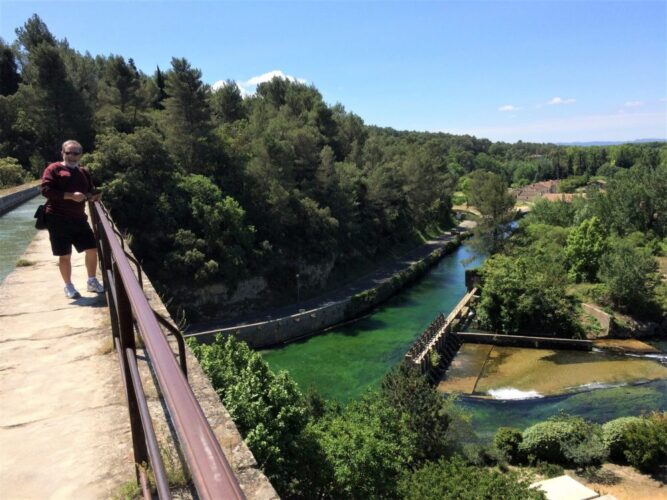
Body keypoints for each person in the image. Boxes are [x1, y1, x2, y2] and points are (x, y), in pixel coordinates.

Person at [41, 140, 104, 299]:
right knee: (65, 254)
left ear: (80, 155)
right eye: (69, 152)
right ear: (62, 153)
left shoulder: (83, 172)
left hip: (79, 219)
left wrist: (93, 196)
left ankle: (91, 281)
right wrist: (70, 196)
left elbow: (89, 191)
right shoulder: (54, 169)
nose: (72, 156)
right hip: (57, 219)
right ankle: (68, 286)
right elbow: (45, 190)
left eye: (76, 153)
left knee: (92, 249)